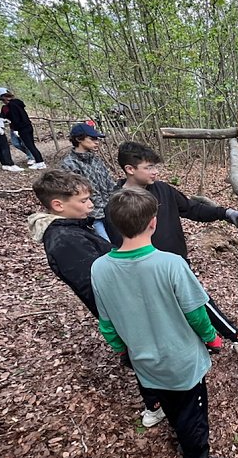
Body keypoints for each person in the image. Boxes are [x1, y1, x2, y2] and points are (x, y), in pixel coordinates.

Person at [91, 187, 233, 458]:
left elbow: (106, 322)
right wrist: (212, 340)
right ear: (153, 223)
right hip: (181, 360)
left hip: (144, 360)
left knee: (171, 405)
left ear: (114, 224)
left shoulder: (99, 268)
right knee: (193, 411)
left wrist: (122, 350)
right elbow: (196, 314)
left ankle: (185, 439)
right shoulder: (171, 264)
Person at [28, 169, 168, 428]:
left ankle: (157, 398)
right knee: (141, 351)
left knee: (142, 349)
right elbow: (95, 285)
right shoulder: (65, 241)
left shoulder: (74, 229)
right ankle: (156, 403)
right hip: (122, 308)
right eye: (82, 201)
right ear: (58, 205)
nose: (91, 204)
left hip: (125, 304)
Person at [105, 141, 238, 355]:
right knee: (198, 300)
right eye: (149, 167)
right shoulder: (116, 203)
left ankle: (204, 341)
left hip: (176, 261)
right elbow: (118, 242)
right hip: (143, 270)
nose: (155, 172)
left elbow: (192, 209)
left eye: (156, 166)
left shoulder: (162, 190)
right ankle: (237, 336)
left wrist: (224, 213)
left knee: (188, 303)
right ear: (129, 169)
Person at [60, 121, 118, 241]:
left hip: (110, 212)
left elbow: (110, 183)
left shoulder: (96, 160)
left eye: (97, 138)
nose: (97, 142)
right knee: (106, 246)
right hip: (92, 216)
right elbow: (73, 194)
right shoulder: (69, 164)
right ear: (79, 139)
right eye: (92, 138)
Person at [0, 87, 46, 169]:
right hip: (27, 126)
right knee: (31, 145)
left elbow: (16, 119)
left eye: (3, 99)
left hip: (22, 128)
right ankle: (39, 161)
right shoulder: (17, 104)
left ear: (5, 97)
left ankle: (40, 162)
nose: (3, 101)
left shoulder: (12, 105)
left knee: (30, 146)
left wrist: (16, 129)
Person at [0, 97, 35, 167]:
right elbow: (2, 116)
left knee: (26, 143)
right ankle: (31, 154)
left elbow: (19, 116)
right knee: (15, 143)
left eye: (4, 99)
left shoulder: (15, 105)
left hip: (21, 127)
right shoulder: (4, 108)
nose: (4, 101)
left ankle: (32, 157)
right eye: (2, 100)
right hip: (13, 128)